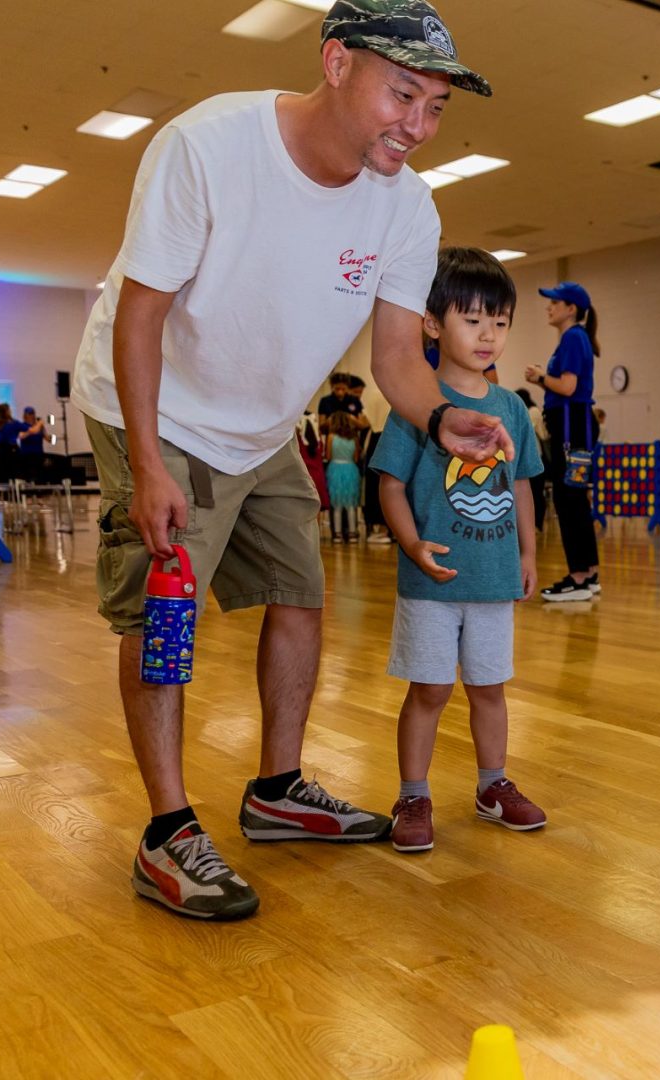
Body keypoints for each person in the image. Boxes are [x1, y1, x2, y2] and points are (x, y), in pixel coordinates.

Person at [67, 0, 512, 920]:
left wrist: (445, 422)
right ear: (338, 61)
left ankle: (276, 790)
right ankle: (167, 831)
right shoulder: (210, 147)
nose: (418, 127)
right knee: (163, 617)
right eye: (404, 95)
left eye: (436, 108)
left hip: (264, 425)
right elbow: (143, 312)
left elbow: (396, 360)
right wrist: (148, 463)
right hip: (157, 409)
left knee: (300, 594)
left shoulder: (408, 207)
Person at [371, 248, 546, 851]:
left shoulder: (512, 409)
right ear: (431, 322)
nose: (488, 334)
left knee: (489, 687)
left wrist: (528, 554)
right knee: (429, 690)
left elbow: (521, 482)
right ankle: (413, 792)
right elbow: (389, 485)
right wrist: (413, 543)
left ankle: (492, 785)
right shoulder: (414, 402)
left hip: (494, 579)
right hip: (434, 578)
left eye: (499, 321)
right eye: (472, 319)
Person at [526, 281, 601, 601]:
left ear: (571, 308)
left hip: (572, 427)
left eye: (555, 302)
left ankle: (579, 576)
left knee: (568, 500)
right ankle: (589, 574)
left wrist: (541, 378)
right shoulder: (576, 339)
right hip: (575, 424)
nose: (549, 307)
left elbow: (568, 387)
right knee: (574, 499)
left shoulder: (573, 337)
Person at [324, 411, 362, 542]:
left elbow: (328, 456)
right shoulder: (354, 437)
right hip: (351, 469)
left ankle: (337, 534)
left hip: (335, 469)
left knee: (337, 503)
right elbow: (356, 458)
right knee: (351, 503)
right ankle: (352, 533)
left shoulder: (331, 436)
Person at [515, 387, 549, 532]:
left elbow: (542, 434)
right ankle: (531, 526)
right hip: (525, 456)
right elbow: (543, 434)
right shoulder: (531, 411)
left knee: (535, 492)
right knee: (531, 492)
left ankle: (537, 523)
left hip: (532, 456)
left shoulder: (532, 411)